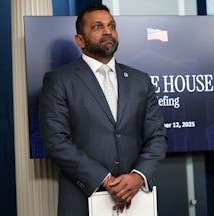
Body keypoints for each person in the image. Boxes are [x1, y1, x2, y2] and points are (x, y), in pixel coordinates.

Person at [38, 4, 168, 216]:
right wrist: (106, 180)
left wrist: (137, 177)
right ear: (80, 40)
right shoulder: (59, 81)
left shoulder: (140, 80)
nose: (108, 31)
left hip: (136, 200)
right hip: (82, 198)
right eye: (98, 27)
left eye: (112, 26)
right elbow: (56, 142)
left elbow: (158, 137)